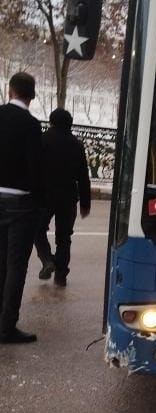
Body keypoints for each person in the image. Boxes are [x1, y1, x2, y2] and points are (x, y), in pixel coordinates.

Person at [0, 72, 43, 344]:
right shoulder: (31, 126)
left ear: (10, 91)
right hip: (20, 203)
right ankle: (6, 327)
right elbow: (35, 169)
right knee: (16, 266)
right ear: (33, 96)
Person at [35, 108, 91, 287]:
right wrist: (85, 203)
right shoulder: (77, 145)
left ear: (51, 122)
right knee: (64, 237)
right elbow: (83, 176)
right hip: (68, 198)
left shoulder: (43, 140)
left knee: (37, 229)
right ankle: (61, 275)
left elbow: (33, 170)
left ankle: (47, 259)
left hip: (45, 197)